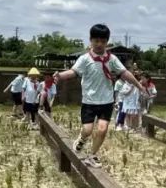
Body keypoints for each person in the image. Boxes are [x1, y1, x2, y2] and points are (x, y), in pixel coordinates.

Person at [53, 23, 146, 168]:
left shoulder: (112, 59)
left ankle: (92, 155)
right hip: (89, 101)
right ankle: (82, 139)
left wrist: (138, 85)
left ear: (107, 42)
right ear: (91, 40)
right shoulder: (85, 59)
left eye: (103, 41)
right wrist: (60, 75)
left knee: (102, 129)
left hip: (106, 101)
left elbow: (125, 73)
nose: (99, 44)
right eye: (96, 41)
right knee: (88, 130)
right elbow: (73, 71)